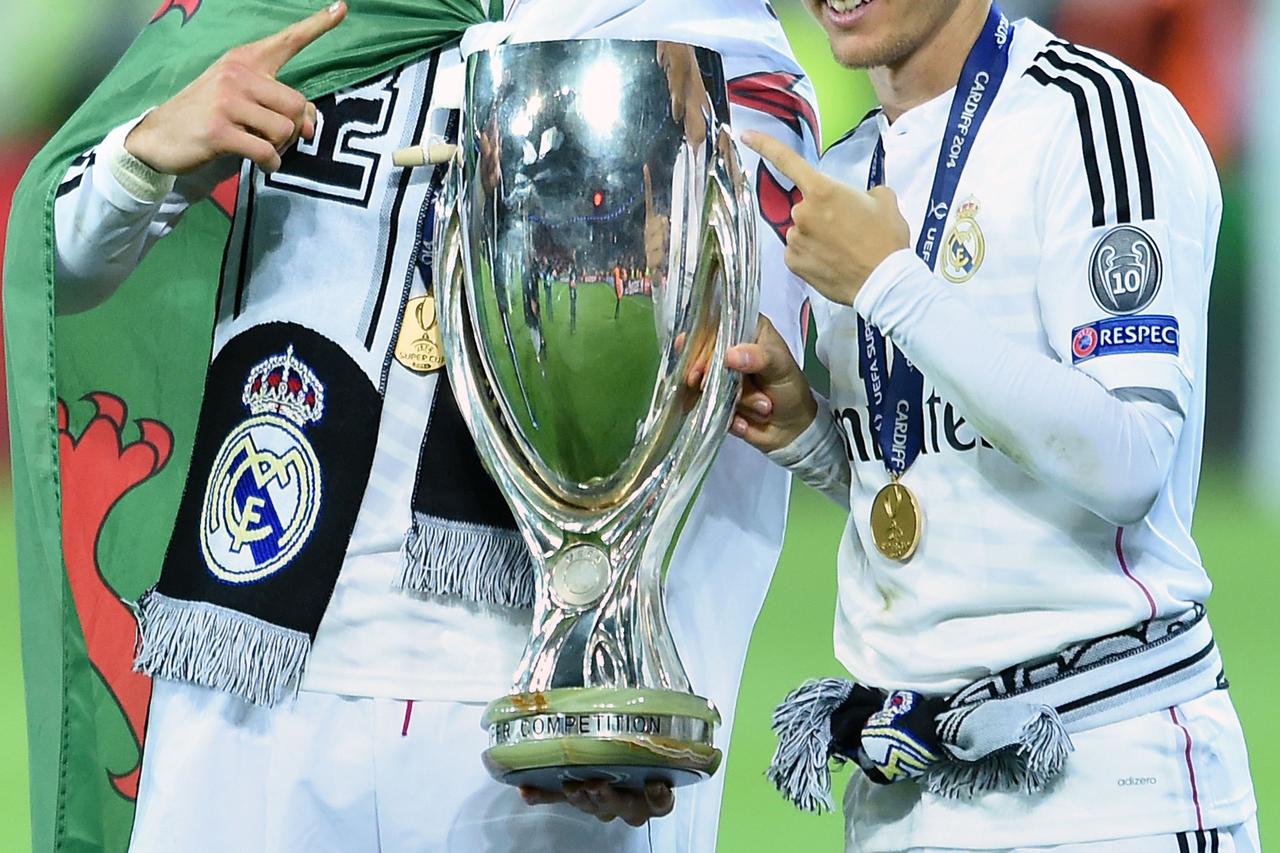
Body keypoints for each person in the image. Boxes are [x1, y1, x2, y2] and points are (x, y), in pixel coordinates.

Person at [48, 1, 817, 850]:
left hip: (516, 703)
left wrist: (627, 694)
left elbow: (725, 432)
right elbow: (56, 267)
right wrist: (144, 153)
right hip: (241, 676)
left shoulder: (705, 39)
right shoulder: (280, 12)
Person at [723, 0, 1258, 850]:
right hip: (900, 791)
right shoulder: (852, 167)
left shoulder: (1095, 120)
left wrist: (891, 285)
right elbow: (930, 477)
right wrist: (811, 435)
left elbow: (1129, 459)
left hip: (1106, 789)